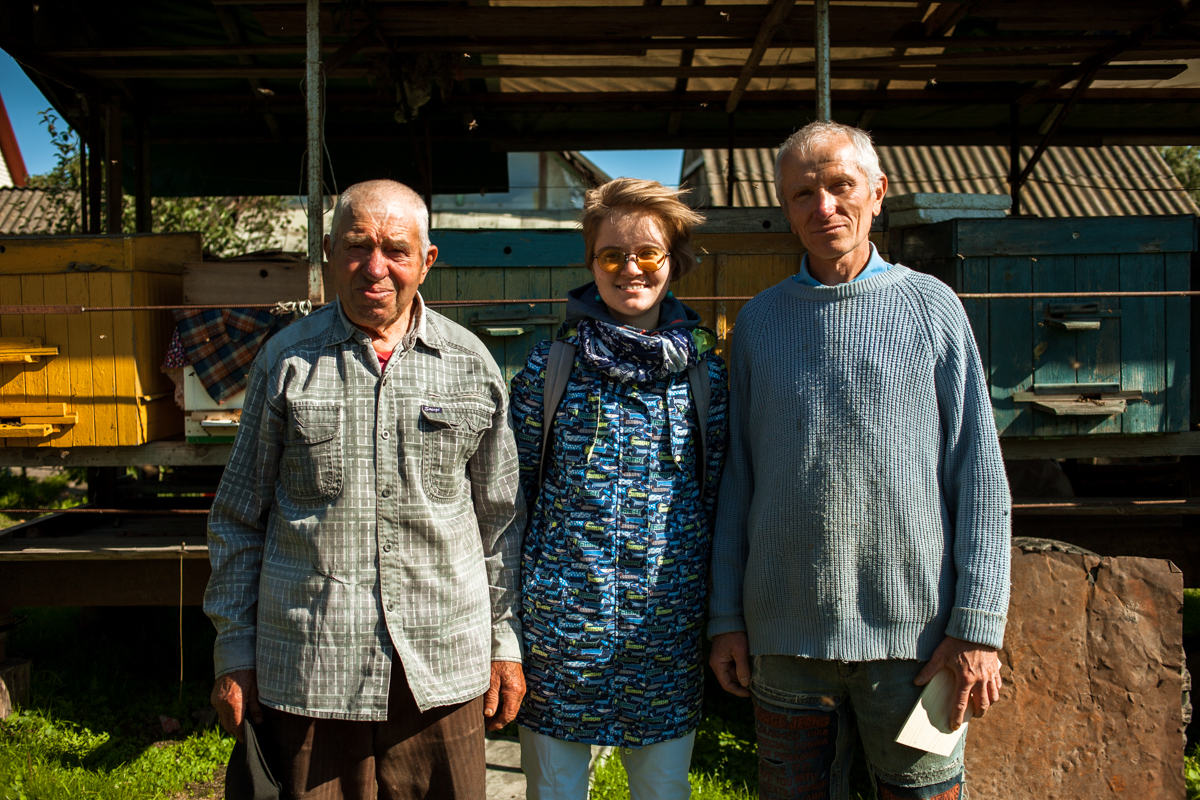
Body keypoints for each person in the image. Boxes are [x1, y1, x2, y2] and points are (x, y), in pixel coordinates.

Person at [708, 121, 1011, 800]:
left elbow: (981, 478)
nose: (823, 207)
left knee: (925, 795)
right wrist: (726, 617)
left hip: (920, 646)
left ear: (877, 192)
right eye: (802, 194)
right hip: (786, 644)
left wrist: (977, 629)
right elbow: (738, 482)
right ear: (785, 208)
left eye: (840, 186)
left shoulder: (932, 308)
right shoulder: (757, 323)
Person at [204, 179, 526, 800]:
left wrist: (503, 646)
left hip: (440, 667)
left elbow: (500, 523)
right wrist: (234, 651)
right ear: (328, 251)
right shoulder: (286, 362)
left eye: (396, 250)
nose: (374, 267)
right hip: (308, 665)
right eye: (356, 246)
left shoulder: (471, 363)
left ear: (426, 261)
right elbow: (238, 519)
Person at [509, 178, 729, 800]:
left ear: (673, 263)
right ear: (591, 263)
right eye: (612, 255)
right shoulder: (549, 370)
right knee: (554, 791)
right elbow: (513, 500)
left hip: (666, 632)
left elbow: (719, 501)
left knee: (662, 790)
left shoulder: (705, 378)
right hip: (560, 633)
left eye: (648, 254)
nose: (630, 269)